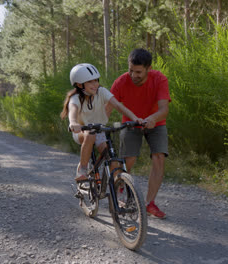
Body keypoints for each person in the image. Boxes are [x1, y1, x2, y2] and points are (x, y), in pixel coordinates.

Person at [110, 48, 171, 219]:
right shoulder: (121, 82)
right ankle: (121, 190)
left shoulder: (159, 79)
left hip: (155, 122)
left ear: (148, 69)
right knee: (129, 159)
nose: (133, 75)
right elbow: (108, 107)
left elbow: (164, 109)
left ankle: (149, 203)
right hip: (130, 123)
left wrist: (152, 118)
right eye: (130, 70)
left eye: (138, 72)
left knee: (159, 157)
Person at [60, 63, 141, 182]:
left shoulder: (101, 92)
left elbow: (118, 106)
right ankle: (82, 168)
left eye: (96, 80)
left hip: (100, 130)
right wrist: (73, 123)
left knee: (111, 158)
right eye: (90, 82)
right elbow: (73, 110)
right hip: (82, 132)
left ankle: (114, 192)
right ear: (79, 84)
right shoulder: (75, 98)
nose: (95, 84)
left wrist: (135, 118)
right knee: (90, 134)